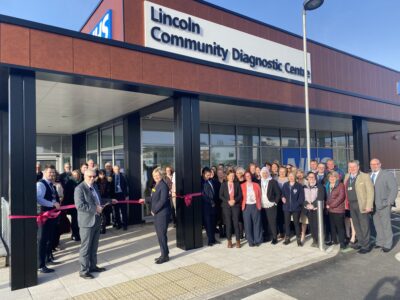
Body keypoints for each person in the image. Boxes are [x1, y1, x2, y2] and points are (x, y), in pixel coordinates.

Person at [75, 169, 106, 279]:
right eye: (90, 176)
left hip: (97, 220)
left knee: (94, 246)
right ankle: (83, 271)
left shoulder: (95, 187)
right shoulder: (79, 189)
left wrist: (111, 200)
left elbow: (99, 201)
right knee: (86, 247)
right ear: (84, 176)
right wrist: (95, 209)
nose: (92, 178)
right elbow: (80, 206)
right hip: (86, 222)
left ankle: (93, 266)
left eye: (94, 176)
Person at [140, 167, 171, 264]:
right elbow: (154, 198)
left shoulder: (163, 186)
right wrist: (145, 200)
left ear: (161, 175)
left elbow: (163, 200)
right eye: (154, 176)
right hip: (158, 214)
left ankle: (165, 256)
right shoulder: (156, 185)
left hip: (162, 214)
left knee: (162, 235)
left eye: (157, 175)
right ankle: (164, 253)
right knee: (160, 235)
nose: (156, 177)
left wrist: (154, 210)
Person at [344, 160, 374, 254]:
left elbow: (370, 192)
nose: (352, 169)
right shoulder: (347, 176)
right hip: (351, 205)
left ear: (358, 167)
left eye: (354, 167)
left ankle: (366, 245)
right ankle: (361, 242)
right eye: (350, 167)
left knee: (364, 225)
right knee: (356, 225)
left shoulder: (364, 176)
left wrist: (369, 205)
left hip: (362, 204)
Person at [370, 158, 398, 252]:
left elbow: (393, 189)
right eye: (372, 164)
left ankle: (388, 244)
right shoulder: (370, 175)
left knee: (386, 225)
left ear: (380, 164)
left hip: (384, 205)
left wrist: (388, 202)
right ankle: (380, 242)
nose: (374, 166)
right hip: (373, 206)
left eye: (376, 164)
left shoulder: (387, 174)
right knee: (377, 225)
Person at [36, 164, 61, 273]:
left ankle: (48, 258)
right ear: (44, 173)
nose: (52, 174)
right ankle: (40, 265)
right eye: (50, 172)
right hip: (44, 217)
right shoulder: (41, 184)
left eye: (54, 173)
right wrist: (52, 204)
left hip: (52, 216)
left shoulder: (52, 185)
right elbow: (38, 198)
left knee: (49, 238)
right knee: (42, 240)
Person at [220, 169, 242, 248]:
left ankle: (238, 241)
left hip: (235, 206)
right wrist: (228, 201)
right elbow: (220, 195)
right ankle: (229, 241)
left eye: (233, 176)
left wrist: (234, 200)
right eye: (230, 176)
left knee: (236, 223)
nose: (232, 177)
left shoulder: (237, 184)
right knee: (228, 224)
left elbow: (240, 195)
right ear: (227, 176)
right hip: (226, 206)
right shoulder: (223, 184)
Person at [281, 171, 305, 246]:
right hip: (287, 208)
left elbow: (301, 198)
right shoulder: (285, 185)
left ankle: (298, 239)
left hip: (296, 208)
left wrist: (296, 205)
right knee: (287, 223)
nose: (291, 177)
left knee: (296, 223)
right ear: (288, 177)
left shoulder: (299, 186)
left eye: (292, 176)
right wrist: (282, 198)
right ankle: (287, 238)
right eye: (290, 176)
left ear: (295, 177)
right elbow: (282, 194)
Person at [259, 167, 281, 244]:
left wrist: (275, 202)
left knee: (272, 222)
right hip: (262, 205)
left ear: (268, 173)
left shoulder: (273, 182)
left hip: (271, 205)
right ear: (261, 174)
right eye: (263, 173)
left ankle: (275, 237)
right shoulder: (259, 182)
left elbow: (278, 193)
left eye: (266, 173)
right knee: (264, 222)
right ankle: (266, 236)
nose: (264, 174)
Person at [325, 171, 347, 249]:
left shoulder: (340, 185)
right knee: (332, 227)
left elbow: (341, 197)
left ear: (337, 178)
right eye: (330, 177)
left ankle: (342, 242)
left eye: (334, 177)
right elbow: (326, 197)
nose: (332, 178)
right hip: (330, 210)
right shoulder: (327, 185)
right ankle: (335, 240)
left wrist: (331, 205)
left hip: (338, 210)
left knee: (340, 227)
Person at [303, 172, 325, 247]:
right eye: (310, 177)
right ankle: (314, 239)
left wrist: (313, 205)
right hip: (308, 209)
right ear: (307, 178)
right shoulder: (304, 187)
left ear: (315, 178)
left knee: (317, 225)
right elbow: (303, 198)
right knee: (311, 225)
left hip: (317, 209)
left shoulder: (319, 186)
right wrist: (307, 204)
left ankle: (319, 240)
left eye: (312, 177)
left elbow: (320, 197)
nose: (311, 178)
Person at [241, 171, 262, 247]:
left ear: (251, 176)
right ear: (244, 177)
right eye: (246, 176)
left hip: (255, 206)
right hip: (246, 207)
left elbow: (260, 195)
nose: (248, 177)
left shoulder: (256, 185)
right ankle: (250, 241)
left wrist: (259, 205)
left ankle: (257, 240)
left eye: (249, 175)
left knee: (257, 224)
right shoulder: (242, 186)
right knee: (247, 224)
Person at [201, 167, 219, 246]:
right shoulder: (202, 183)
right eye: (207, 175)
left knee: (213, 223)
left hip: (214, 206)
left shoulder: (212, 181)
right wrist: (211, 202)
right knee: (208, 224)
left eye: (210, 174)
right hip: (206, 207)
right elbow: (203, 195)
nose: (209, 176)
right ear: (203, 174)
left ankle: (213, 239)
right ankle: (210, 240)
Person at [63, 170, 81, 241]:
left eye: (77, 175)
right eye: (74, 175)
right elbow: (66, 194)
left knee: (79, 220)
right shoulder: (69, 183)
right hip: (72, 205)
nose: (75, 176)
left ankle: (78, 233)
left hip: (80, 204)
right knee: (75, 221)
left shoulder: (81, 182)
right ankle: (75, 234)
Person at [110, 165, 129, 230]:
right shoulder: (111, 177)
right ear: (113, 170)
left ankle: (125, 225)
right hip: (115, 196)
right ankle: (118, 224)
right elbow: (110, 188)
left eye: (117, 169)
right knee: (116, 211)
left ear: (119, 169)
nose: (116, 170)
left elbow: (126, 186)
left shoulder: (123, 176)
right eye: (115, 169)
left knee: (124, 211)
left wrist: (126, 195)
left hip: (122, 195)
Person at [96, 169, 115, 234]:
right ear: (98, 175)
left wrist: (111, 199)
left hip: (106, 199)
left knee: (105, 214)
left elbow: (111, 190)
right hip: (99, 199)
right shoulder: (96, 182)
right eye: (101, 174)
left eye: (103, 174)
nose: (102, 175)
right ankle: (101, 228)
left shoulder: (108, 181)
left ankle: (103, 227)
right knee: (101, 214)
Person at [276, 166, 288, 239]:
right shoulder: (275, 179)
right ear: (278, 172)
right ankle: (281, 232)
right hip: (278, 201)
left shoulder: (288, 179)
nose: (282, 173)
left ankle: (287, 232)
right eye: (280, 172)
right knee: (279, 217)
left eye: (283, 172)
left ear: (286, 172)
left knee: (286, 217)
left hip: (287, 201)